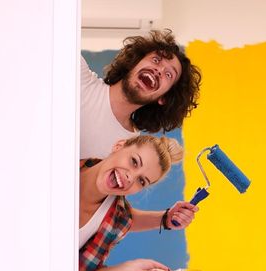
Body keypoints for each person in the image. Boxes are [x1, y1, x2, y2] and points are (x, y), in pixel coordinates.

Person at [80, 28, 202, 234]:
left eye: (168, 74)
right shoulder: (78, 76)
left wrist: (165, 218)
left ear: (163, 97)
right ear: (134, 62)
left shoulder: (131, 148)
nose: (159, 70)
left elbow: (109, 214)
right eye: (156, 60)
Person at [79, 135, 187, 271]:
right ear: (119, 146)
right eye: (134, 161)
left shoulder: (114, 222)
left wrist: (130, 270)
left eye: (141, 181)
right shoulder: (57, 158)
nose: (131, 177)